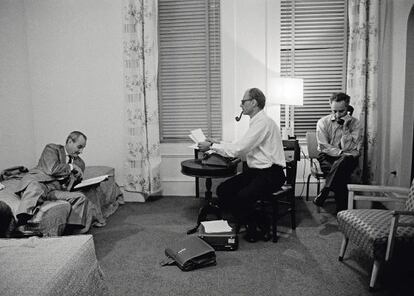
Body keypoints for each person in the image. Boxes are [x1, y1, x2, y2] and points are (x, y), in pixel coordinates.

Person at [198, 88, 286, 243]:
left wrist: (212, 145)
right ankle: (258, 219)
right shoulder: (257, 122)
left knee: (242, 197)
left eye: (243, 101)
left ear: (254, 102)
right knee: (223, 190)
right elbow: (241, 145)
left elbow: (240, 149)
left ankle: (257, 226)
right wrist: (217, 143)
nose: (241, 105)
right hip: (257, 172)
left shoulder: (263, 122)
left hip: (272, 174)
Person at [14, 131, 89, 236]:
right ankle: (21, 225)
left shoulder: (80, 163)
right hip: (39, 181)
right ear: (70, 141)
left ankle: (69, 232)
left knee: (81, 197)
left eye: (83, 148)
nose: (81, 151)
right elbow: (52, 169)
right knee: (35, 188)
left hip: (55, 190)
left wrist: (77, 180)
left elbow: (71, 184)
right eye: (79, 147)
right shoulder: (52, 149)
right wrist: (71, 167)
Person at [313, 92, 362, 211]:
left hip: (347, 158)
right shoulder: (323, 122)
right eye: (334, 111)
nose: (338, 115)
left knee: (345, 161)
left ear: (348, 108)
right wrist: (341, 153)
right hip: (327, 157)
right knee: (342, 177)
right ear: (330, 107)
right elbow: (324, 146)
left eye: (341, 111)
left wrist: (345, 128)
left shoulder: (355, 124)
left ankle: (324, 191)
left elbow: (349, 147)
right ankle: (344, 212)